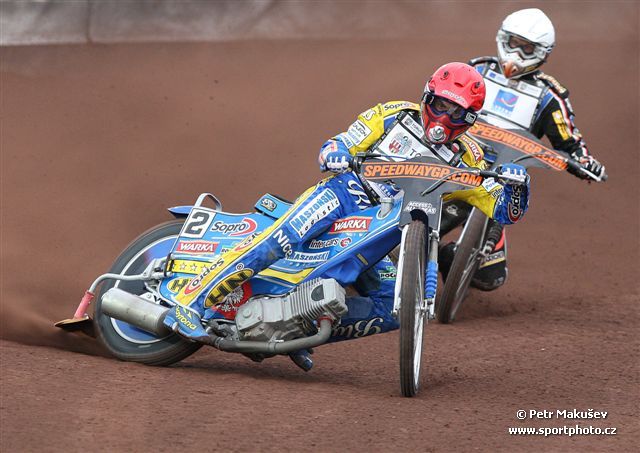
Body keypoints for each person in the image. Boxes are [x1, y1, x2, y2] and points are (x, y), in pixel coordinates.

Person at [163, 63, 531, 367]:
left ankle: (296, 332)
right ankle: (190, 302)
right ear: (427, 97)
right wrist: (336, 153)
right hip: (341, 197)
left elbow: (502, 210)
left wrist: (518, 186)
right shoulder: (393, 115)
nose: (443, 117)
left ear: (470, 118)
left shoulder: (469, 158)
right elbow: (337, 143)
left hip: (381, 234)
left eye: (456, 112)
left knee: (394, 308)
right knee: (282, 238)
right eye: (439, 104)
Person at [439, 8, 606, 291]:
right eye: (513, 43)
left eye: (527, 48)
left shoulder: (549, 96)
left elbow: (569, 142)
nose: (517, 52)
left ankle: (450, 256)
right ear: (502, 38)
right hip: (453, 160)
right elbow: (442, 100)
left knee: (490, 277)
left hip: (501, 179)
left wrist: (584, 161)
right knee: (409, 219)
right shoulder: (477, 71)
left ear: (542, 53)